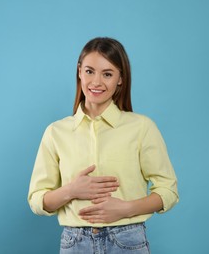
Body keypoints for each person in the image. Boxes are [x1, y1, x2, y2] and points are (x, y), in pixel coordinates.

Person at [28, 37, 179, 254]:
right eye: (90, 71)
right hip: (75, 243)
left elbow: (168, 191)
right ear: (79, 72)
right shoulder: (55, 132)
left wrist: (126, 209)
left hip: (127, 241)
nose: (96, 82)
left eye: (107, 74)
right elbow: (37, 200)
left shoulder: (142, 128)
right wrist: (71, 190)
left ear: (120, 79)